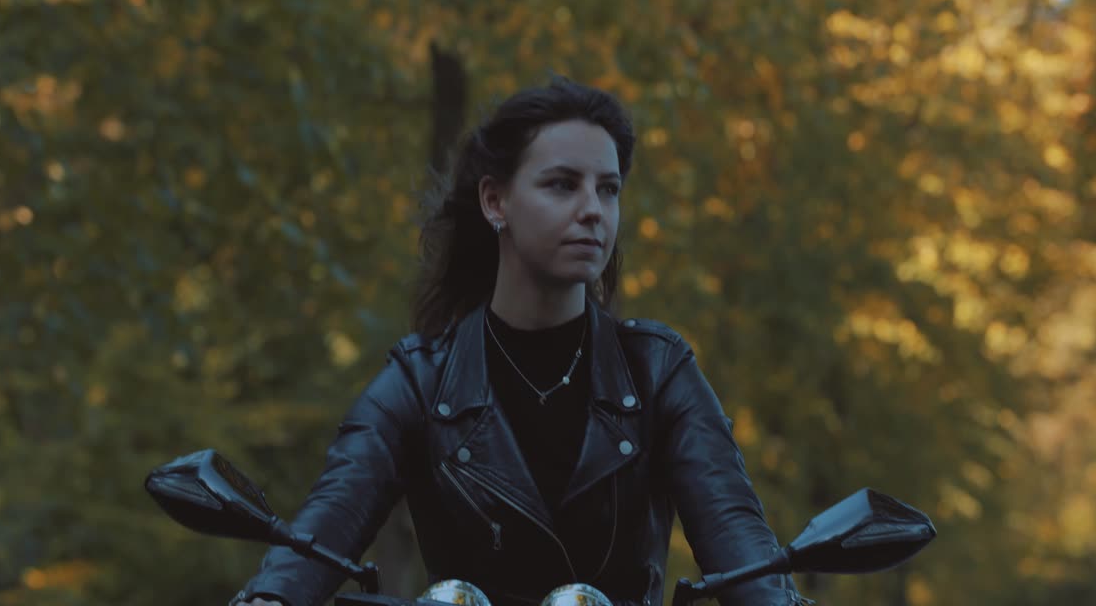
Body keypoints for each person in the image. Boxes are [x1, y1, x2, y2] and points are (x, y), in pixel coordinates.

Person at [231, 77, 803, 606]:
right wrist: (271, 598)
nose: (592, 211)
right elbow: (326, 521)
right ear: (494, 202)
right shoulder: (421, 379)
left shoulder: (656, 369)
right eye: (562, 185)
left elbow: (736, 534)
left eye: (608, 190)